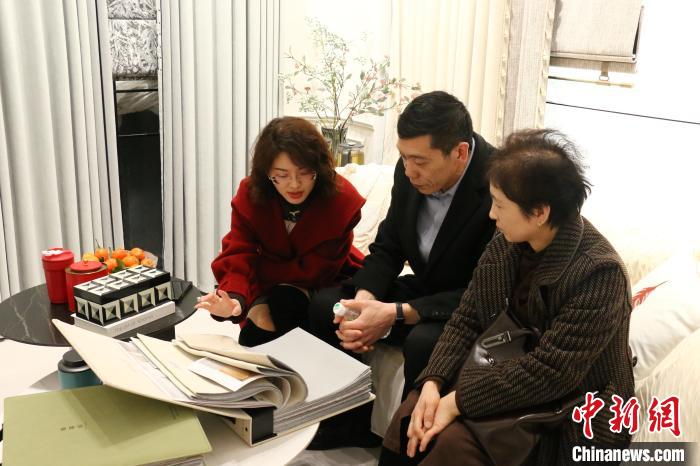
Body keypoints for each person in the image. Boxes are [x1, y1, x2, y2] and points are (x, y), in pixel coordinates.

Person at [379, 129, 635, 465]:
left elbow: (552, 373)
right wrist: (432, 382)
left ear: (540, 212)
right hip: (505, 367)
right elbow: (467, 319)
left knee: (456, 442)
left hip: (572, 403)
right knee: (413, 413)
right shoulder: (507, 243)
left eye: (500, 204)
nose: (492, 214)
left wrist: (457, 402)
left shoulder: (599, 274)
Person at [305, 91, 496, 449]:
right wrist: (364, 303)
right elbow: (388, 247)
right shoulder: (407, 171)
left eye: (419, 161)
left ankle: (405, 447)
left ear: (459, 153)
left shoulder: (497, 184)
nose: (409, 171)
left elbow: (486, 290)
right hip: (423, 287)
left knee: (425, 343)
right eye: (404, 157)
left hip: (466, 307)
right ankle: (346, 422)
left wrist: (394, 314)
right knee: (329, 306)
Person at [195, 116, 365, 346]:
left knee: (286, 302)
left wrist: (257, 269)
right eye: (282, 175)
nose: (294, 184)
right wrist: (235, 299)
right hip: (273, 283)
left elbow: (317, 270)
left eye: (304, 172)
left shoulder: (342, 200)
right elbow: (239, 251)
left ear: (319, 167)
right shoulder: (251, 193)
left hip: (328, 280)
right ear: (266, 172)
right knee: (254, 336)